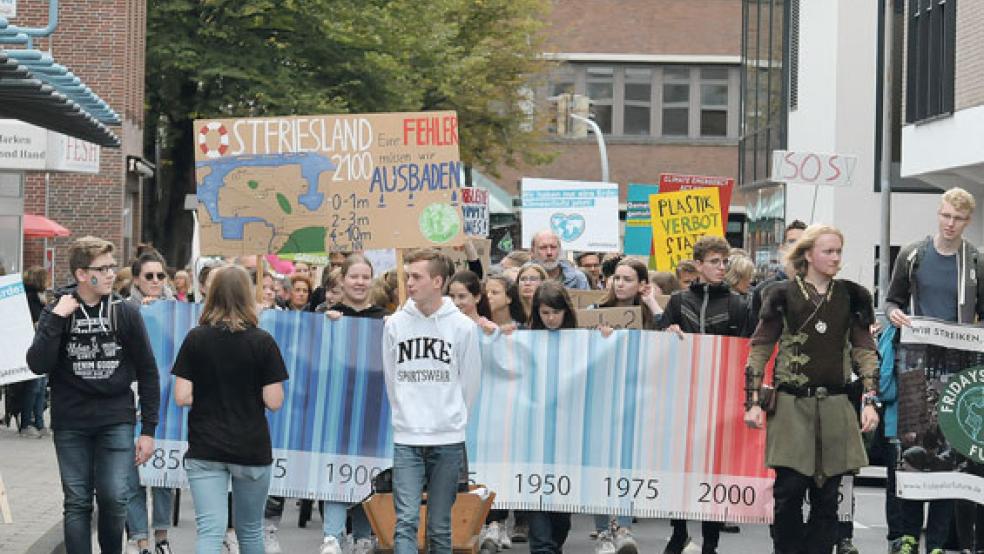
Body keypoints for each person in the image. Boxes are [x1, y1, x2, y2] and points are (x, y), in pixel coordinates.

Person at [743, 224, 879, 554]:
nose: (835, 258)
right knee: (788, 495)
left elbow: (864, 350)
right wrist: (753, 400)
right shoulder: (780, 295)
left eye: (838, 251)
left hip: (835, 406)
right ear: (808, 254)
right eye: (828, 251)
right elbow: (760, 346)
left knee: (827, 500)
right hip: (790, 406)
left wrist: (871, 401)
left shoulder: (853, 295)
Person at [26, 236, 160, 554]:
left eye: (113, 267)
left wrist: (149, 431)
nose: (112, 274)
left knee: (114, 497)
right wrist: (57, 318)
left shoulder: (124, 312)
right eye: (103, 268)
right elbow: (37, 363)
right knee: (77, 502)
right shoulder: (57, 310)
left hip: (115, 418)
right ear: (82, 274)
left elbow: (148, 371)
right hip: (71, 421)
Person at [883, 187, 984, 554]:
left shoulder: (974, 260)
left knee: (949, 454)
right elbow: (892, 298)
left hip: (957, 364)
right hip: (915, 361)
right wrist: (893, 313)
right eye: (945, 215)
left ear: (967, 221)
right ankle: (907, 535)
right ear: (937, 214)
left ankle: (938, 541)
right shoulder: (913, 254)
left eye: (957, 218)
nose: (950, 224)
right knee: (912, 446)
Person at [171, 265, 288, 554]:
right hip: (250, 448)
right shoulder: (263, 342)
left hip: (205, 447)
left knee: (210, 532)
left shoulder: (195, 338)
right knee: (249, 532)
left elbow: (182, 396)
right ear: (248, 295)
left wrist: (212, 393)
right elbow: (274, 401)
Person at [656, 236, 753, 554]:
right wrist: (667, 333)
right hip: (682, 399)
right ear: (698, 265)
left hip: (719, 400)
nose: (721, 267)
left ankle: (711, 541)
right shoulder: (678, 301)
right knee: (681, 468)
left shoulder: (739, 305)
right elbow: (658, 347)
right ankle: (679, 530)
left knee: (713, 471)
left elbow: (747, 351)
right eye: (714, 261)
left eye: (725, 262)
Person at [382, 249, 482, 554]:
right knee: (406, 521)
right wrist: (404, 417)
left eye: (416, 277)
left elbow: (470, 382)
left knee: (440, 526)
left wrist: (453, 419)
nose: (409, 282)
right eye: (408, 276)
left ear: (437, 281)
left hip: (448, 437)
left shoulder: (463, 327)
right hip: (407, 436)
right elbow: (391, 378)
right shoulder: (395, 325)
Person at [317, 254, 385, 554]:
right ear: (342, 280)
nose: (359, 282)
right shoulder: (328, 316)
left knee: (368, 474)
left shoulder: (385, 317)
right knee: (337, 470)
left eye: (365, 276)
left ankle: (362, 535)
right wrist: (328, 327)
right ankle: (332, 535)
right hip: (338, 407)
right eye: (353, 276)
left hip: (374, 407)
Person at [124, 251, 177, 554]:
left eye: (160, 276)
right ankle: (140, 539)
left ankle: (161, 536)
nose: (156, 281)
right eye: (149, 276)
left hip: (167, 397)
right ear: (136, 280)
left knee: (164, 475)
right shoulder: (125, 309)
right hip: (131, 395)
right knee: (132, 472)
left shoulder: (177, 309)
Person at [524, 281, 579, 554]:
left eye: (555, 312)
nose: (550, 318)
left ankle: (550, 546)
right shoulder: (525, 339)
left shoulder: (581, 340)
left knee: (561, 516)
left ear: (566, 311)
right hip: (533, 433)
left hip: (568, 434)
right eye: (545, 312)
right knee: (537, 499)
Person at [749, 220, 808, 328]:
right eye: (792, 241)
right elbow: (753, 334)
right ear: (782, 248)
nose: (797, 246)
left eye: (802, 242)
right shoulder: (763, 290)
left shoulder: (817, 286)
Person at [18, 266, 48, 438]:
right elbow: (37, 322)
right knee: (35, 386)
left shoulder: (37, 298)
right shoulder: (31, 299)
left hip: (38, 346)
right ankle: (27, 423)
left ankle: (39, 422)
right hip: (33, 346)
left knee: (40, 386)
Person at [594, 257, 660, 330]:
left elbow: (665, 329)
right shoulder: (596, 309)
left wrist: (651, 301)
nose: (620, 284)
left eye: (627, 280)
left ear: (641, 285)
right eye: (617, 278)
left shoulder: (650, 314)